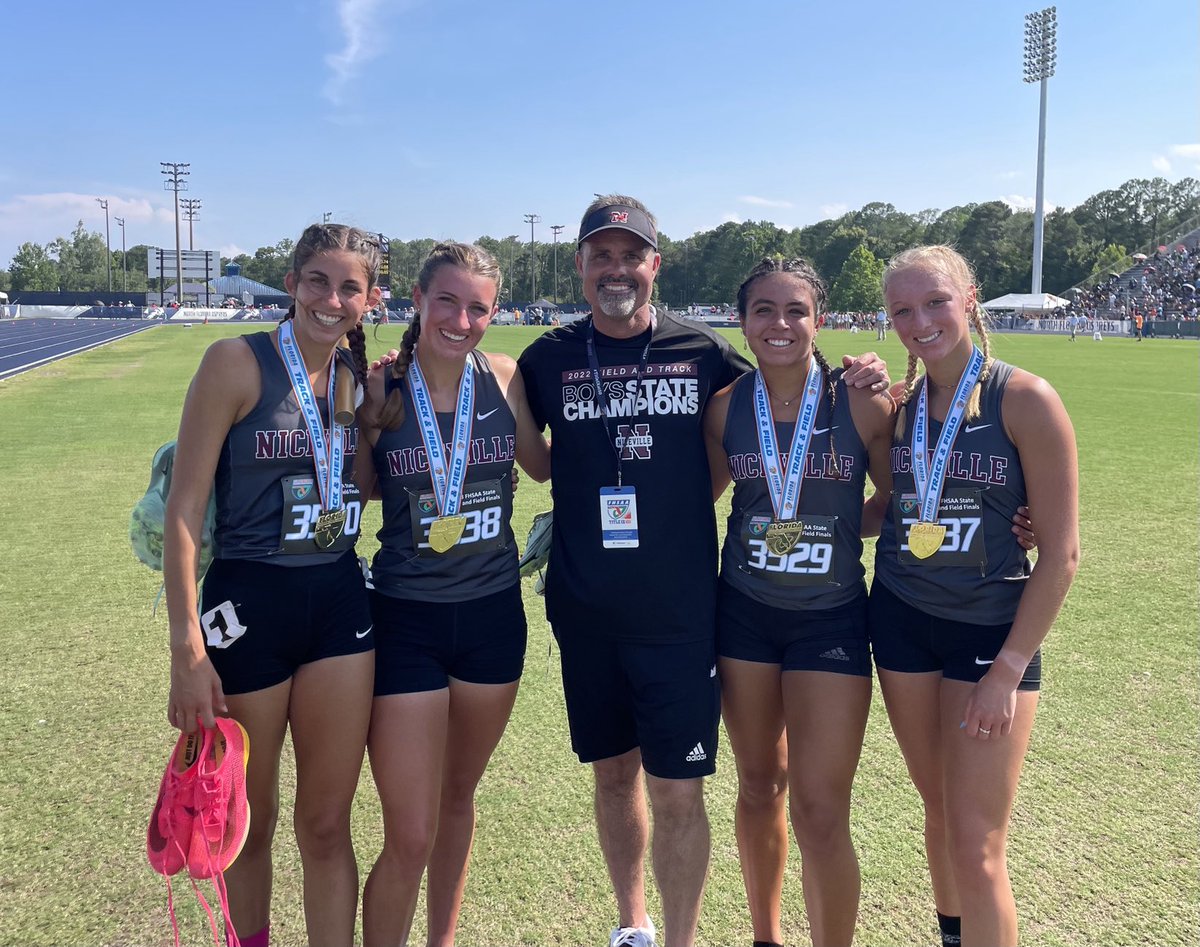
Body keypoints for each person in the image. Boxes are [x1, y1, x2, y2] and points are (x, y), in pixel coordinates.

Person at [517, 195, 890, 947]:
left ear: (657, 264)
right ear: (581, 265)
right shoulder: (545, 358)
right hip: (586, 608)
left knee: (680, 788)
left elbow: (752, 436)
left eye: (633, 254)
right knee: (613, 776)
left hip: (685, 611)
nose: (616, 268)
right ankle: (634, 926)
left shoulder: (705, 354)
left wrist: (871, 374)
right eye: (601, 255)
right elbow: (534, 458)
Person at [164, 223, 381, 947]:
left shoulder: (355, 377)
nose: (331, 298)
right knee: (243, 821)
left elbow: (359, 488)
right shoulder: (235, 362)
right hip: (246, 606)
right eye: (317, 280)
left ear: (368, 297)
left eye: (349, 286)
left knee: (325, 822)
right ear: (291, 284)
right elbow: (186, 510)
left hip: (339, 601)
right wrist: (187, 648)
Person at [869, 245, 1079, 947]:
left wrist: (1008, 670)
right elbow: (888, 508)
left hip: (990, 633)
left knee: (978, 838)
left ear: (970, 299)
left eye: (934, 301)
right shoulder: (901, 408)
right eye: (902, 309)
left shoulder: (1025, 399)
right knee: (938, 809)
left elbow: (1062, 552)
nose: (919, 320)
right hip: (900, 623)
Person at [357, 242, 551, 947]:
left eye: (477, 306)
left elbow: (542, 465)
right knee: (409, 833)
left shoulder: (502, 377)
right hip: (406, 617)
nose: (461, 318)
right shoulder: (386, 386)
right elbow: (358, 492)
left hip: (495, 616)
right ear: (418, 298)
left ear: (494, 311)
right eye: (448, 300)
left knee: (458, 796)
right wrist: (364, 418)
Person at [704, 259, 896, 947]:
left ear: (821, 318)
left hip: (832, 618)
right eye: (763, 310)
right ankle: (766, 936)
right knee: (759, 785)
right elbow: (699, 500)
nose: (779, 324)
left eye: (795, 310)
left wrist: (846, 524)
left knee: (819, 809)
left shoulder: (863, 400)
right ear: (743, 319)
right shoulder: (726, 408)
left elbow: (902, 499)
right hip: (745, 616)